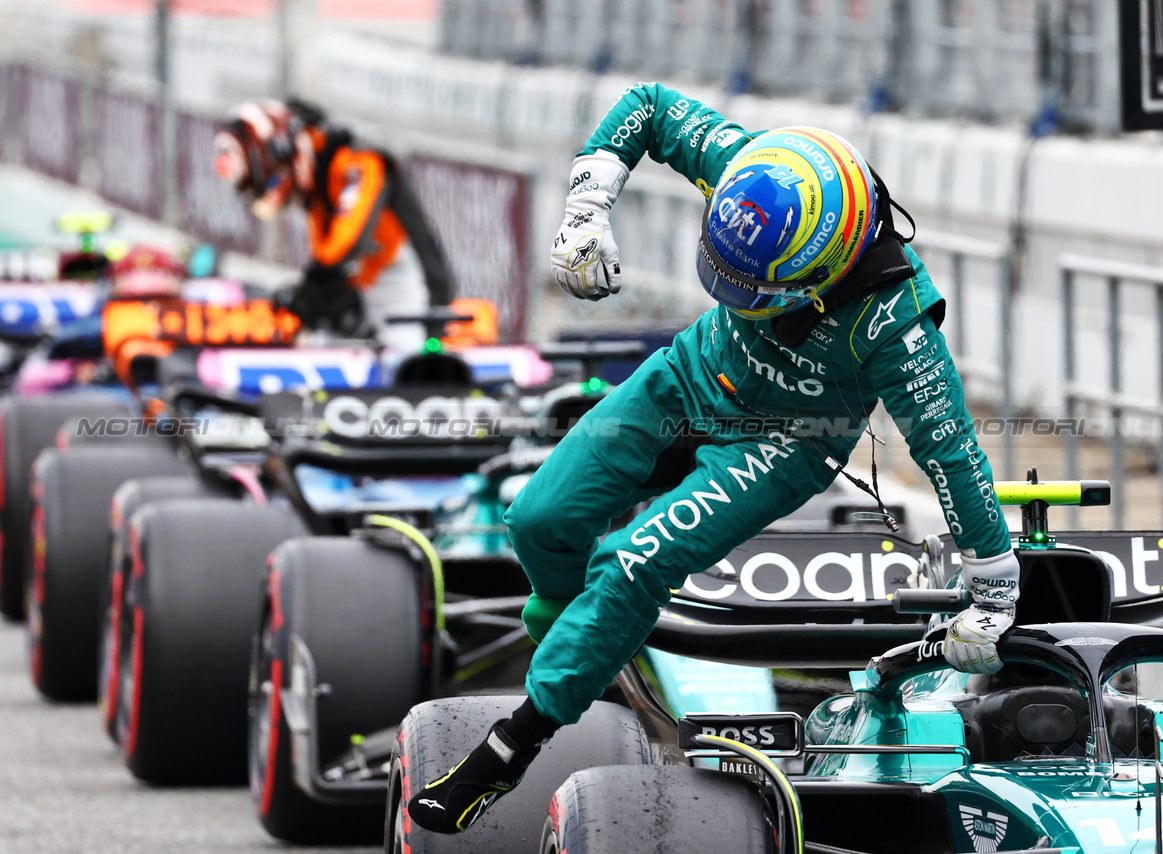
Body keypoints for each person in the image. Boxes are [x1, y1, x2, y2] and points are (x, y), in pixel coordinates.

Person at [407, 82, 1017, 834]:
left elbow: (950, 451)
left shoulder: (897, 323)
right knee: (537, 515)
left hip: (786, 440)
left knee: (634, 562)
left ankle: (507, 751)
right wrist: (587, 210)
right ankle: (582, 632)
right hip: (692, 376)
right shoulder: (752, 170)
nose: (732, 292)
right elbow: (650, 105)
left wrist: (993, 589)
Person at [212, 98, 454, 349]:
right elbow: (327, 256)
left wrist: (316, 281)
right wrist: (310, 293)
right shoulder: (316, 187)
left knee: (394, 360)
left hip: (411, 295)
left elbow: (349, 241)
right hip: (367, 291)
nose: (280, 192)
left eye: (275, 181)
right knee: (317, 342)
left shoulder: (359, 161)